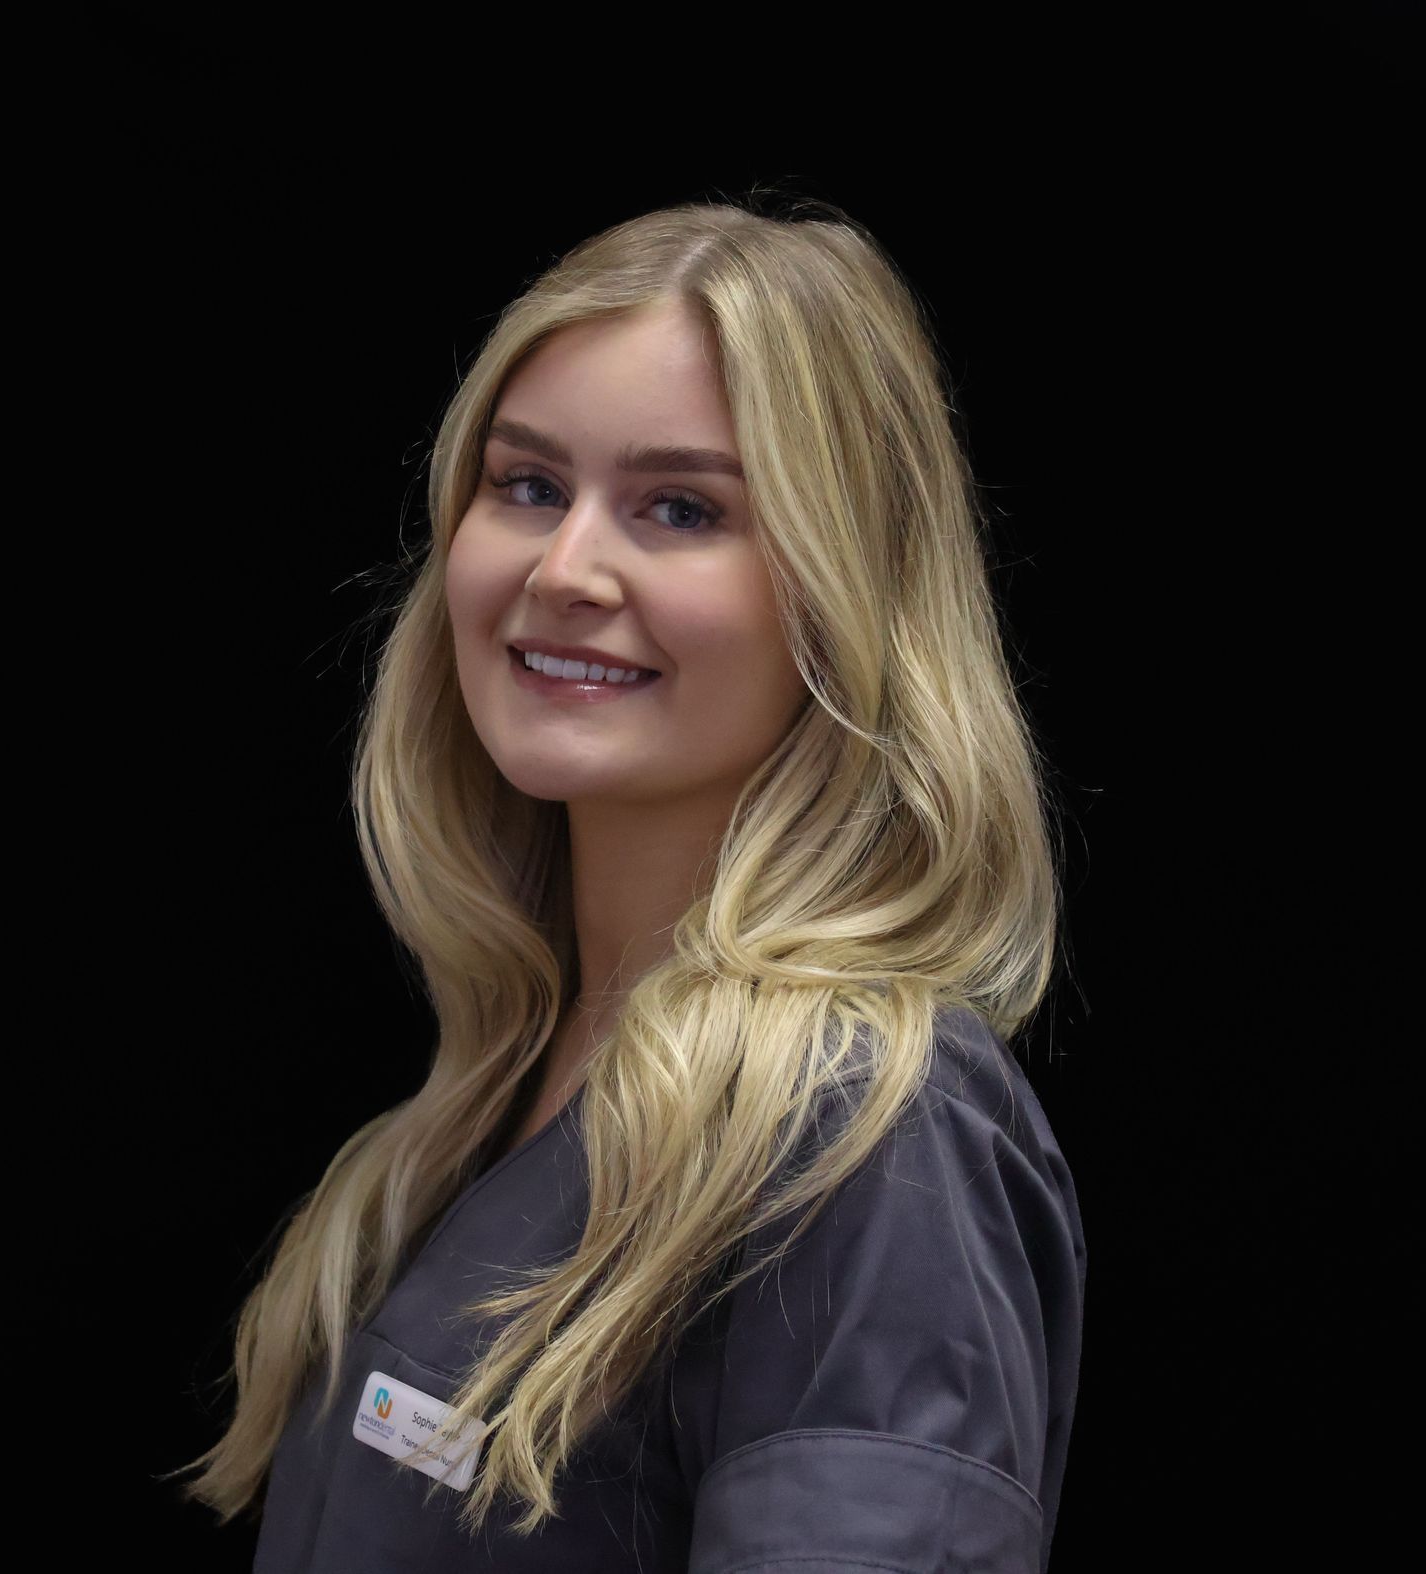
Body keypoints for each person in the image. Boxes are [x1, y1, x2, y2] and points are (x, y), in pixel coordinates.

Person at [167, 192, 1086, 1572]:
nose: (564, 567)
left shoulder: (864, 1127)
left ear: (840, 592)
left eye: (678, 507)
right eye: (527, 483)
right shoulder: (497, 1094)